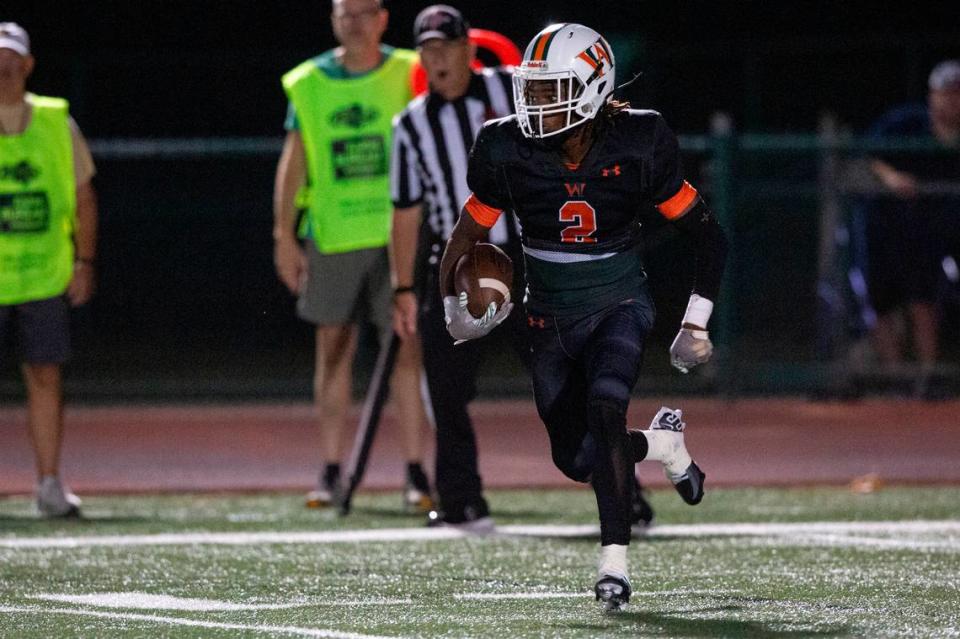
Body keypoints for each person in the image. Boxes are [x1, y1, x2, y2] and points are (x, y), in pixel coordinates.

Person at [437, 24, 727, 609]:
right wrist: (453, 311)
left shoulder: (638, 141)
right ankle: (663, 446)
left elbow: (708, 236)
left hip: (619, 302)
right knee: (577, 457)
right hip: (546, 314)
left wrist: (695, 321)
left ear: (594, 88)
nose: (537, 103)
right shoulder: (505, 147)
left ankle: (613, 568)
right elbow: (467, 235)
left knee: (604, 409)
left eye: (553, 89)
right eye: (533, 89)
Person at [390, 6, 654, 533]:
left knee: (574, 389)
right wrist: (401, 286)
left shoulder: (517, 89)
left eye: (446, 46)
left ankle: (624, 494)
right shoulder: (410, 124)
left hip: (534, 264)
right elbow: (406, 210)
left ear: (469, 48)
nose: (437, 58)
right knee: (445, 389)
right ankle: (461, 499)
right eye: (428, 49)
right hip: (464, 266)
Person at [273, 0, 432, 511]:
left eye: (365, 12)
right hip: (334, 236)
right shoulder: (307, 82)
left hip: (399, 235)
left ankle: (415, 473)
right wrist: (283, 234)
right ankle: (332, 470)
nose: (355, 22)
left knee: (407, 353)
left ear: (384, 18)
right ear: (333, 18)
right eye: (346, 12)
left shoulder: (411, 70)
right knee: (333, 351)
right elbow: (294, 160)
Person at [0, 22, 98, 518]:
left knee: (45, 377)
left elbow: (83, 194)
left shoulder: (57, 121)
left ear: (28, 63)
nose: (3, 66)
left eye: (11, 56)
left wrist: (84, 260)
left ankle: (49, 484)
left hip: (42, 272)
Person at [864, 59, 960, 397]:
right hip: (886, 225)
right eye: (945, 93)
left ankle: (926, 380)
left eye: (957, 94)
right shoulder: (906, 121)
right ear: (932, 95)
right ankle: (898, 382)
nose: (951, 100)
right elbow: (867, 153)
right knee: (882, 304)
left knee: (924, 301)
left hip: (932, 230)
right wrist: (892, 177)